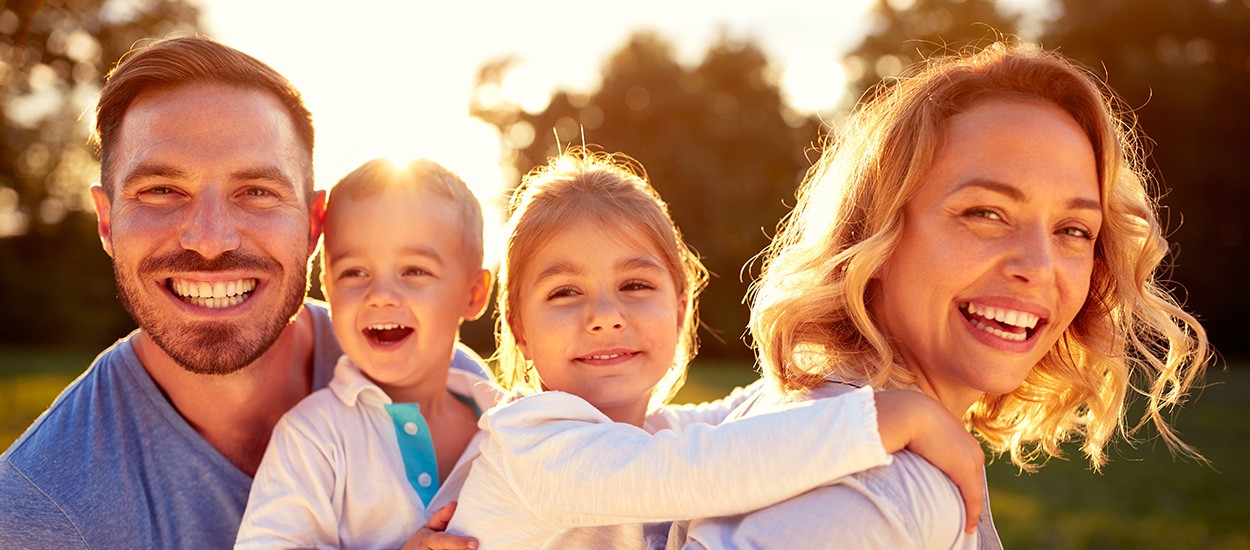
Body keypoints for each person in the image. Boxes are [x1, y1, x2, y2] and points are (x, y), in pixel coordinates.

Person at [671, 42, 1211, 549]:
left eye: (1073, 230)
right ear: (875, 235)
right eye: (985, 213)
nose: (1039, 267)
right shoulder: (882, 492)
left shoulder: (789, 416)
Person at [0, 37, 483, 548]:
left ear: (314, 224)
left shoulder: (443, 378)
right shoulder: (41, 511)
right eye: (161, 190)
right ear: (106, 220)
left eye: (256, 192)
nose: (210, 240)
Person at [446, 149, 988, 549]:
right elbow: (695, 469)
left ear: (680, 310)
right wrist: (882, 420)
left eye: (636, 286)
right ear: (519, 329)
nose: (606, 316)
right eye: (564, 293)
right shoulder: (530, 439)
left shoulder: (653, 433)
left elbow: (744, 411)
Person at [236, 158, 495, 549]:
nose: (381, 295)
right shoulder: (315, 436)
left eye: (414, 271)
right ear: (327, 288)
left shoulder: (511, 424)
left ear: (473, 294)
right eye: (354, 273)